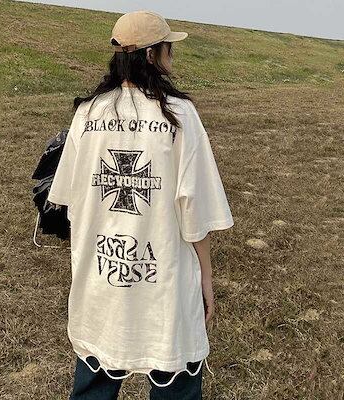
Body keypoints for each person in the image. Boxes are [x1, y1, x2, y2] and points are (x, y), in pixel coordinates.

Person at [47, 10, 234, 400]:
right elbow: (195, 213)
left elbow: (67, 198)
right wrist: (206, 278)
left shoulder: (88, 113)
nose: (171, 56)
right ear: (151, 55)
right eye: (167, 48)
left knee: (95, 375)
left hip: (100, 277)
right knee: (174, 375)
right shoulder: (179, 115)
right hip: (163, 283)